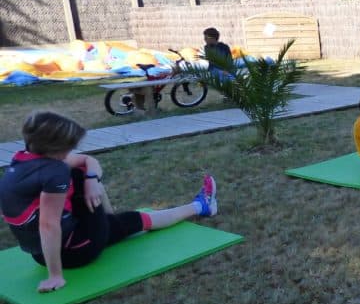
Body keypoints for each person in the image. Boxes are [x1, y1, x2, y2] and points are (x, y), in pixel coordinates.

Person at [1, 111, 218, 293]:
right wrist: (55, 276)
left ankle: (198, 206)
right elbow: (48, 226)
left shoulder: (22, 159)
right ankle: (200, 206)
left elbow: (89, 160)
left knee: (98, 189)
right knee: (84, 178)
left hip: (39, 255)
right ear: (54, 148)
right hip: (77, 251)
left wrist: (92, 181)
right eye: (68, 147)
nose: (70, 152)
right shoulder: (54, 171)